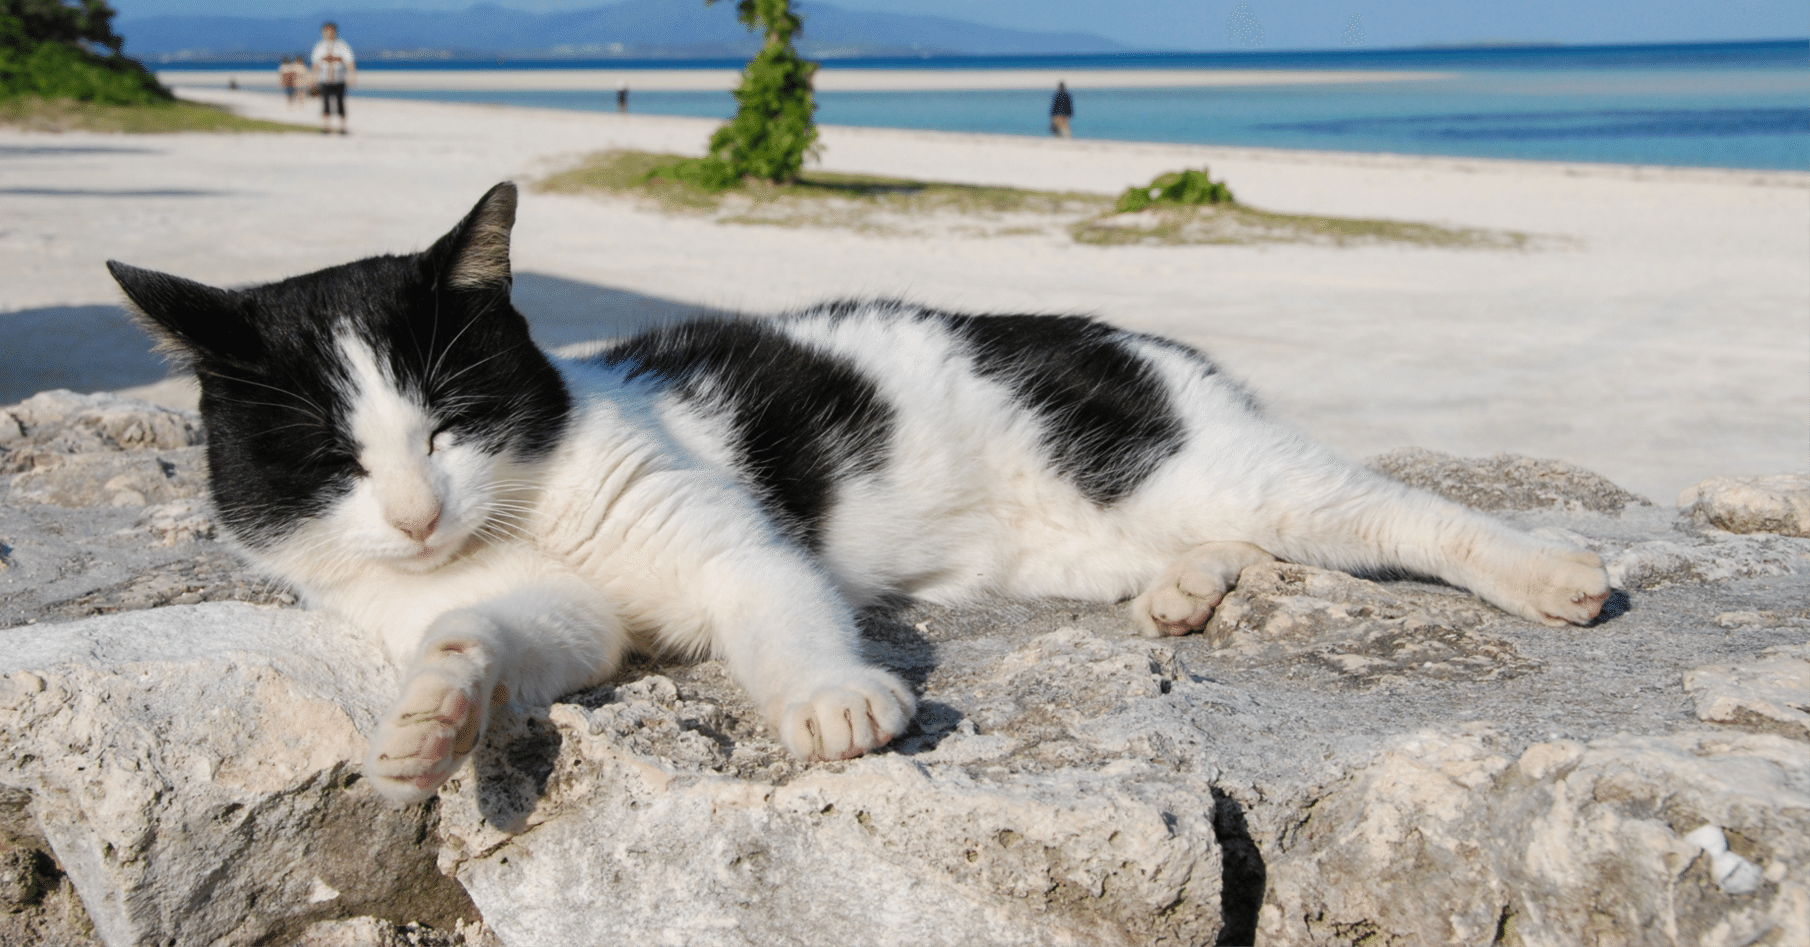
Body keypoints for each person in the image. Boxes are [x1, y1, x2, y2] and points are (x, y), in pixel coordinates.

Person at [310, 22, 356, 135]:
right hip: (324, 79)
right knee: (325, 104)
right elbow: (315, 64)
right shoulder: (319, 46)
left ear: (335, 32)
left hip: (339, 79)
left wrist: (352, 75)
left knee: (340, 103)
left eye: (331, 31)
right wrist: (313, 78)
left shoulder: (342, 45)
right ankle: (326, 127)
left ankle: (342, 128)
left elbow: (349, 62)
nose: (328, 34)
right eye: (326, 31)